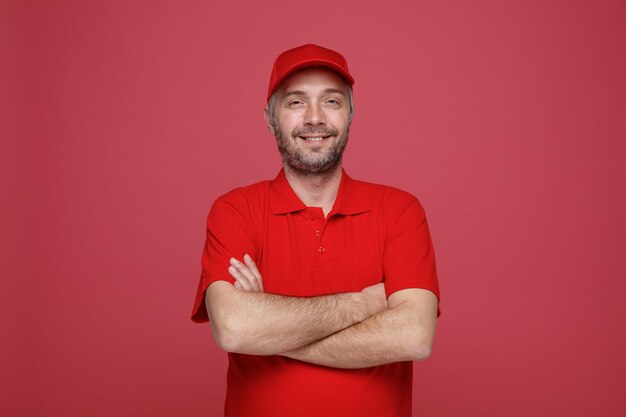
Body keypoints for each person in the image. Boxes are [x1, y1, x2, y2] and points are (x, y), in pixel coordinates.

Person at [191, 43, 441, 417]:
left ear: (351, 115)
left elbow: (415, 337)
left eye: (331, 101)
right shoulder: (235, 211)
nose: (314, 118)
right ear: (269, 117)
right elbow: (234, 328)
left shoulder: (400, 211)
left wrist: (270, 331)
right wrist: (365, 304)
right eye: (295, 102)